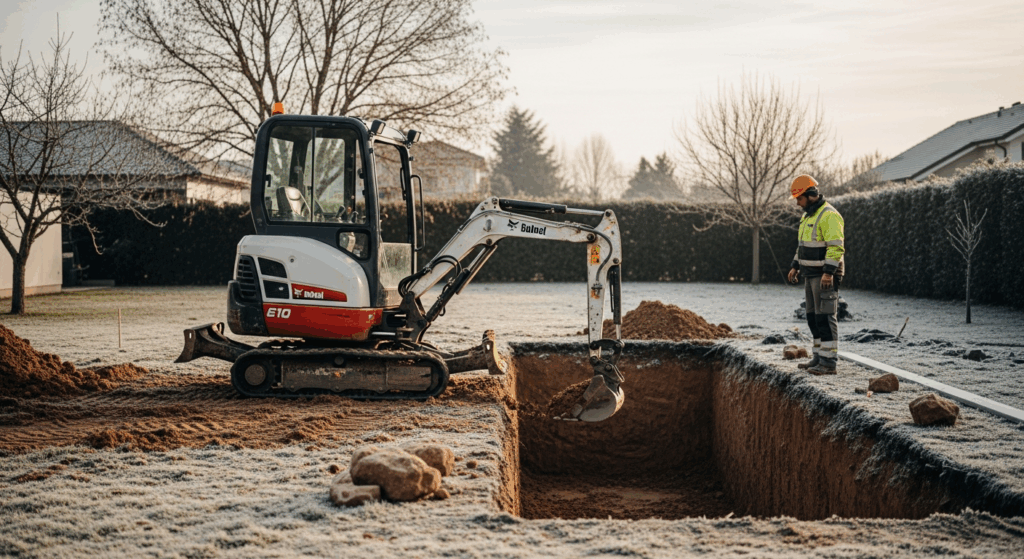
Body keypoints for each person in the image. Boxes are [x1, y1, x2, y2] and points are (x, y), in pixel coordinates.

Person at [786, 175, 845, 375]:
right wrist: (795, 265)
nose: (797, 203)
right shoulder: (807, 217)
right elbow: (802, 246)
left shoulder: (829, 215)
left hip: (824, 277)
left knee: (825, 318)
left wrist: (829, 273)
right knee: (813, 318)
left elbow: (836, 248)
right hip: (810, 274)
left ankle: (829, 363)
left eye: (799, 198)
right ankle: (819, 357)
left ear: (810, 195)